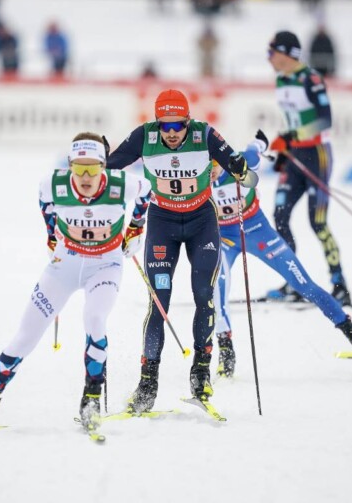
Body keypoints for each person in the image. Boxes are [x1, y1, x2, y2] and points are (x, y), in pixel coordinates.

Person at [0, 133, 153, 433]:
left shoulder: (120, 185)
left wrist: (136, 228)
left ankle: (91, 401)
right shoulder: (53, 185)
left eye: (93, 169)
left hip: (105, 267)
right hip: (64, 266)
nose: (86, 177)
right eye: (78, 168)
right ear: (70, 165)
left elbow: (147, 190)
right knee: (25, 336)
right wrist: (51, 235)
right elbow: (45, 203)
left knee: (95, 319)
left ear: (104, 166)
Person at [107, 89, 261, 413]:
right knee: (158, 302)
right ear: (157, 124)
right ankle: (147, 383)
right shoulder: (143, 137)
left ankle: (201, 373)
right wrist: (94, 163)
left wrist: (240, 171)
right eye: (166, 126)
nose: (173, 133)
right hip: (162, 223)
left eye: (178, 126)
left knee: (204, 294)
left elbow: (242, 171)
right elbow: (109, 166)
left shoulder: (204, 134)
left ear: (187, 122)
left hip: (201, 222)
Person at [210, 158, 352, 378]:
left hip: (259, 233)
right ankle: (226, 350)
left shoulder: (238, 163)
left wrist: (261, 143)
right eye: (206, 166)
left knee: (304, 284)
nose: (211, 172)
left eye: (215, 166)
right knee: (217, 287)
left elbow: (256, 148)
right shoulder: (196, 178)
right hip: (225, 240)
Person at [264, 31, 351, 306]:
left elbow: (324, 121)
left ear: (286, 54)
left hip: (317, 154)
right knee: (279, 216)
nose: (269, 59)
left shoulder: (310, 78)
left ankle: (340, 285)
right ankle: (293, 283)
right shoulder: (281, 80)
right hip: (295, 156)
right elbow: (293, 121)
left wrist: (292, 137)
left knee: (318, 222)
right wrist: (285, 147)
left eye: (272, 53)